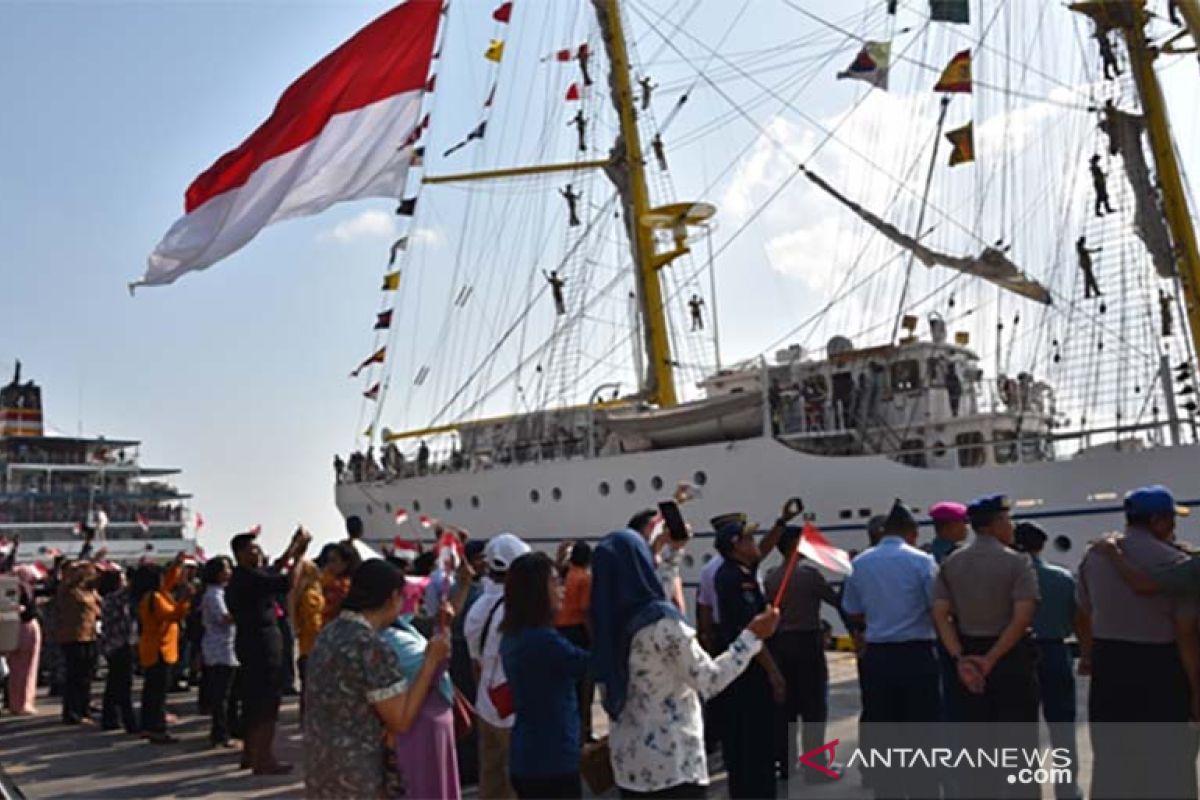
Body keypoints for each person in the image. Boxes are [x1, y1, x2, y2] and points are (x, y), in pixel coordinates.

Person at [592, 528, 779, 798]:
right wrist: (751, 637)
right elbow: (709, 679)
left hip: (629, 764)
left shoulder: (609, 622)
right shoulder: (662, 624)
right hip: (673, 765)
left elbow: (654, 592)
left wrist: (674, 553)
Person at [1077, 485, 1199, 800]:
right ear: (1158, 520)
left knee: (1113, 760)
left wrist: (1088, 655)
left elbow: (1083, 611)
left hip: (1110, 666)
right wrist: (1196, 690)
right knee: (1170, 764)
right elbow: (1185, 633)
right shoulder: (1175, 561)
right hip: (1161, 668)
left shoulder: (1094, 555)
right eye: (1172, 519)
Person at [304, 559, 451, 799]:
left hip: (322, 763)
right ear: (393, 596)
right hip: (359, 772)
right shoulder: (370, 646)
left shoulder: (329, 633)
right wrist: (431, 662)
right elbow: (400, 719)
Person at [933, 494, 1040, 799]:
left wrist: (960, 658)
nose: (1012, 527)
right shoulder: (1017, 562)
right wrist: (991, 658)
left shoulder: (951, 562)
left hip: (968, 660)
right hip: (1010, 659)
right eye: (1008, 520)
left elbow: (940, 615)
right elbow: (1022, 618)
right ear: (995, 525)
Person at [841, 500, 940, 798]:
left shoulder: (859, 563)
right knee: (923, 734)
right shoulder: (922, 561)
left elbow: (852, 610)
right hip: (917, 655)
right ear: (912, 532)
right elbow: (937, 606)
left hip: (878, 657)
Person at [500, 552, 590, 798]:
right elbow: (590, 664)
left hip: (529, 756)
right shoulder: (543, 640)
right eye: (555, 582)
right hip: (551, 761)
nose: (562, 588)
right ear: (536, 591)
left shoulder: (514, 634)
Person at [711, 514, 785, 799]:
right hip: (750, 673)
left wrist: (780, 522)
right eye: (748, 539)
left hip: (741, 669)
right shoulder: (737, 580)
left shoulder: (734, 571)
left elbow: (762, 552)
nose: (755, 544)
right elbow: (752, 632)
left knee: (742, 748)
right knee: (756, 745)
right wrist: (774, 673)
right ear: (735, 546)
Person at [226, 527, 310, 774]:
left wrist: (291, 549)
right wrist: (298, 559)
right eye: (254, 549)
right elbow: (286, 582)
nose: (259, 553)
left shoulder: (244, 577)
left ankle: (250, 753)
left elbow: (271, 572)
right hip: (261, 643)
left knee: (252, 701)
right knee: (266, 703)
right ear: (241, 554)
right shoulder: (248, 578)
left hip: (250, 642)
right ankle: (264, 758)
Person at [762, 526, 843, 783]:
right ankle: (815, 766)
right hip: (807, 644)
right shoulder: (809, 576)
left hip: (780, 645)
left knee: (786, 708)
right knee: (813, 708)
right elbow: (836, 601)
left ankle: (785, 765)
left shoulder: (771, 577)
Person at [1012, 522, 1083, 800]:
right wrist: (1087, 653)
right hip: (1056, 652)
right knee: (1062, 728)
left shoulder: (1010, 579)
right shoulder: (1063, 577)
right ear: (1042, 545)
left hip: (1018, 655)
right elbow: (1078, 619)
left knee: (1021, 727)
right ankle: (1067, 790)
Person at [464, 533, 531, 799]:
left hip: (487, 703)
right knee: (516, 782)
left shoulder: (478, 606)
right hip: (512, 708)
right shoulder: (518, 608)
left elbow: (475, 662)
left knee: (491, 782)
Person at [379, 599, 461, 800]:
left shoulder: (399, 629)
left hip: (425, 724)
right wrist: (442, 633)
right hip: (419, 727)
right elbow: (431, 665)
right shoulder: (389, 638)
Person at [136, 555, 195, 743]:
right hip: (159, 650)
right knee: (157, 693)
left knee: (152, 690)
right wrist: (186, 600)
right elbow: (172, 615)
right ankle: (156, 727)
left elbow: (169, 582)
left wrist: (177, 566)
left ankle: (148, 725)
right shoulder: (155, 598)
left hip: (155, 648)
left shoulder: (155, 595)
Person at [554, 542, 594, 743]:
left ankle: (572, 730)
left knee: (568, 684)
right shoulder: (585, 579)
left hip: (560, 629)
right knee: (585, 686)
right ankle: (583, 733)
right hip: (578, 630)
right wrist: (593, 637)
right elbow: (586, 610)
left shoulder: (565, 576)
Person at [200, 556, 239, 748]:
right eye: (226, 569)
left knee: (225, 693)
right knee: (221, 695)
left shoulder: (220, 593)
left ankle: (224, 729)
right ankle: (220, 733)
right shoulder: (214, 595)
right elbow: (224, 618)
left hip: (224, 646)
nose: (229, 572)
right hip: (219, 648)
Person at [56, 560, 101, 725]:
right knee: (74, 676)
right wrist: (81, 568)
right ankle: (72, 712)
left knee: (87, 676)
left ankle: (84, 708)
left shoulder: (89, 591)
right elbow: (70, 583)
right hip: (74, 636)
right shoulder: (67, 591)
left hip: (90, 635)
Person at [98, 568, 136, 733]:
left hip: (112, 643)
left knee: (114, 684)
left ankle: (110, 717)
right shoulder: (114, 598)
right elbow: (128, 592)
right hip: (119, 643)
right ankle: (128, 720)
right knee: (123, 684)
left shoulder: (107, 599)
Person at [5, 564, 42, 716]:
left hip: (13, 626)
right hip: (26, 625)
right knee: (27, 667)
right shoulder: (23, 588)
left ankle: (15, 702)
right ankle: (24, 702)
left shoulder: (9, 587)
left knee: (15, 667)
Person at [289, 558, 323, 722]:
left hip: (306, 646)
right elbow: (314, 623)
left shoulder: (303, 594)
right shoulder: (310, 595)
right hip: (313, 646)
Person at [319, 540, 359, 626]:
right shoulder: (326, 578)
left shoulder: (342, 586)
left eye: (334, 561)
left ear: (345, 564)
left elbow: (325, 609)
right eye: (328, 560)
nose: (330, 565)